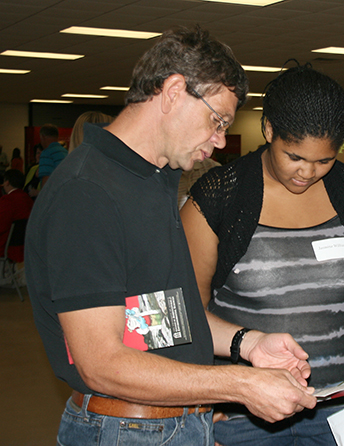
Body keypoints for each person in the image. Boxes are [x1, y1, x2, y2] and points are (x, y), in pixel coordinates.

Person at [25, 26, 316, 446]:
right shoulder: (87, 192)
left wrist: (248, 344)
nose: (218, 141)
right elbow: (101, 363)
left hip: (171, 424)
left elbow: (156, 324)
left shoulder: (151, 179)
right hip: (125, 429)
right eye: (217, 121)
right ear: (175, 90)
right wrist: (239, 386)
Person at [180, 63, 344, 446]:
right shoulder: (220, 198)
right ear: (268, 130)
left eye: (324, 160)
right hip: (244, 414)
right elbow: (187, 311)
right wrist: (203, 397)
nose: (308, 172)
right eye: (294, 156)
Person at [0, 169, 33, 262]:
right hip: (25, 246)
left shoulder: (8, 200)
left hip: (8, 247)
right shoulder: (28, 200)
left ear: (7, 182)